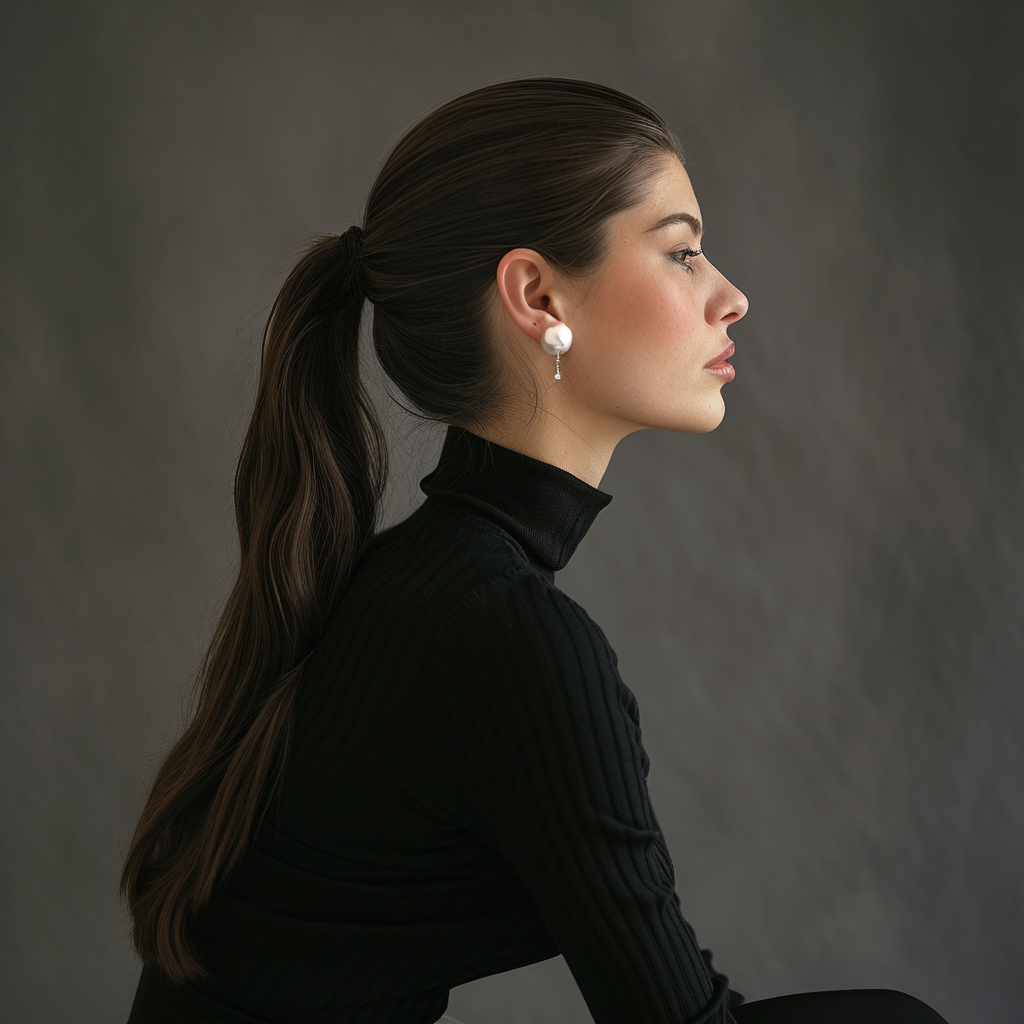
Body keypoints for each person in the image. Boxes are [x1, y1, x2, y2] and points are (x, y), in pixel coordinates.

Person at [121, 77, 947, 1024]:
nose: (732, 296)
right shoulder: (503, 639)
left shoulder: (423, 588)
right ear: (536, 292)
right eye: (682, 253)